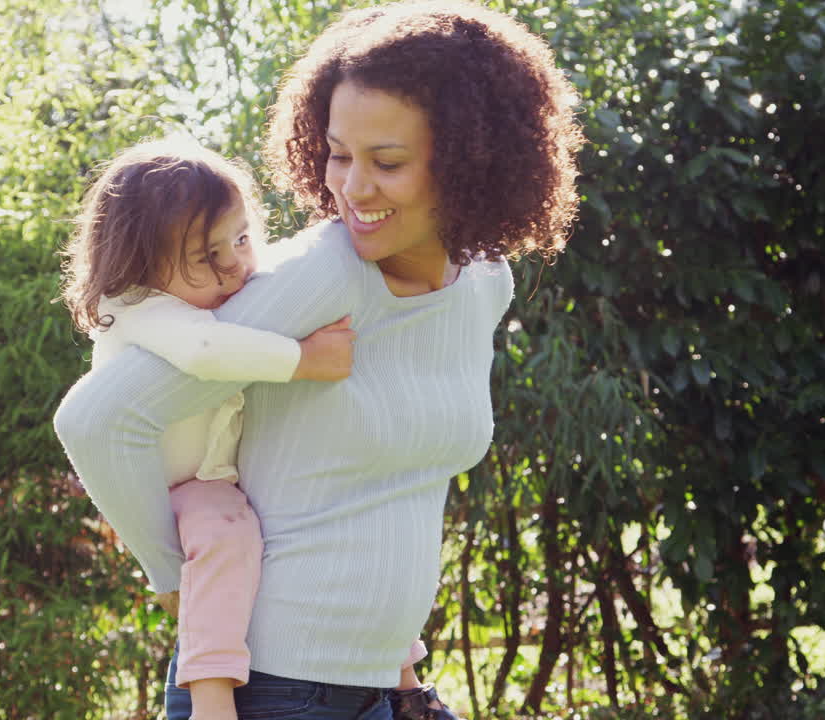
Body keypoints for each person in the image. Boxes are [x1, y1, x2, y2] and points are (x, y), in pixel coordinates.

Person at [54, 2, 583, 718]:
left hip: (385, 690)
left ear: (469, 163)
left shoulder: (486, 282)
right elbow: (97, 419)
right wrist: (175, 571)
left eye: (386, 161)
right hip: (268, 688)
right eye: (338, 154)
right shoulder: (318, 277)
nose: (352, 189)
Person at [60, 137, 428, 720]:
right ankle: (209, 695)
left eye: (241, 239)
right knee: (226, 536)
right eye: (207, 256)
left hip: (226, 476)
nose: (235, 263)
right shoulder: (136, 305)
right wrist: (304, 360)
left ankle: (402, 671)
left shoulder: (219, 294)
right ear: (140, 262)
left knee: (322, 516)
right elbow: (207, 352)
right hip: (185, 488)